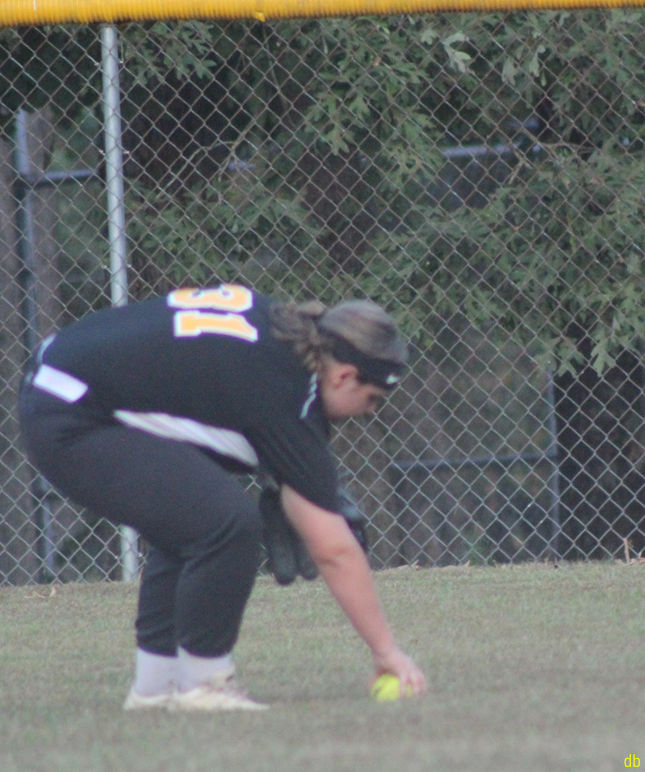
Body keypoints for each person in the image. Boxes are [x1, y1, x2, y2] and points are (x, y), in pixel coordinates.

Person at [18, 283, 427, 711]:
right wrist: (386, 650)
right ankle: (203, 684)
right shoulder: (288, 391)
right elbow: (334, 550)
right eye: (372, 398)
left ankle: (156, 688)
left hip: (60, 387)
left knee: (194, 522)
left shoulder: (277, 334)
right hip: (72, 416)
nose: (369, 410)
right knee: (228, 523)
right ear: (343, 375)